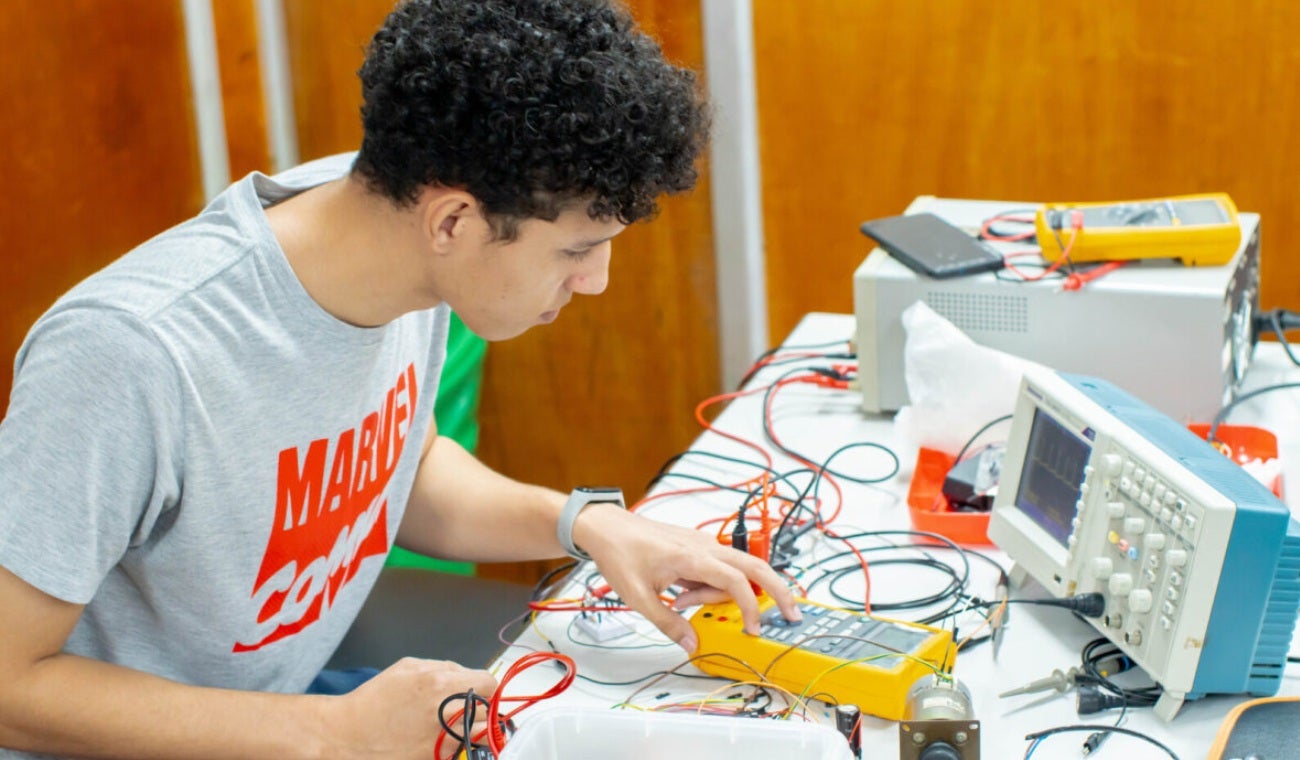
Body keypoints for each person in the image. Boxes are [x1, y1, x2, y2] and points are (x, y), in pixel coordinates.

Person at [0, 0, 799, 758]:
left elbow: (396, 467)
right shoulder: (133, 353)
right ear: (454, 222)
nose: (595, 280)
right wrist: (334, 737)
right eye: (576, 249)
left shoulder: (397, 233)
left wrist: (588, 528)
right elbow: (7, 685)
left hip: (289, 713)